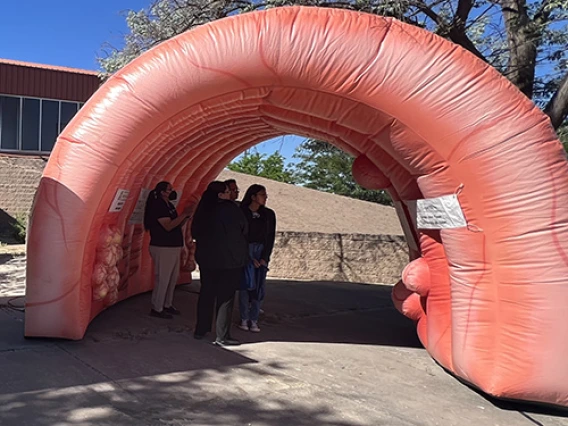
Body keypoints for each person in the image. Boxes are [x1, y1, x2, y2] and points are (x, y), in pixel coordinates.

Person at [192, 181, 249, 346]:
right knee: (226, 297)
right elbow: (244, 229)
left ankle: (201, 329)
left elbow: (195, 232)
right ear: (220, 195)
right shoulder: (231, 209)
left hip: (207, 259)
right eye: (226, 191)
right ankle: (222, 334)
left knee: (206, 294)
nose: (229, 194)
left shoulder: (203, 210)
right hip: (229, 260)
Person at [144, 181, 193, 319]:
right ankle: (157, 307)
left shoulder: (169, 205)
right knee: (163, 278)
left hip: (172, 246)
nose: (172, 192)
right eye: (169, 189)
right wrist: (184, 214)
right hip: (163, 246)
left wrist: (186, 216)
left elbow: (176, 223)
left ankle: (167, 304)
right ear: (162, 192)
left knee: (172, 278)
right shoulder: (158, 206)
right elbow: (168, 226)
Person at [238, 184, 276, 333]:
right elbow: (239, 236)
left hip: (261, 250)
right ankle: (244, 318)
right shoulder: (242, 213)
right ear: (253, 196)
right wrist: (247, 257)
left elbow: (270, 236)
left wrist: (265, 257)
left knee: (259, 286)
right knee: (245, 285)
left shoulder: (268, 215)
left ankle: (254, 319)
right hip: (246, 250)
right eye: (262, 195)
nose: (265, 198)